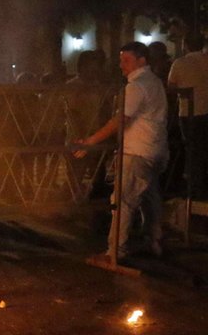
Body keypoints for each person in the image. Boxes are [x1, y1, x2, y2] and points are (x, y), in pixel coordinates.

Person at [75, 42, 168, 260]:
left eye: (126, 60)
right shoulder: (155, 82)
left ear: (141, 61)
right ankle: (154, 242)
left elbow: (120, 120)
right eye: (120, 60)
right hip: (155, 150)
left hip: (137, 152)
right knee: (149, 197)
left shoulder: (136, 86)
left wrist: (90, 141)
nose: (121, 65)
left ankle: (116, 251)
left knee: (123, 200)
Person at [168, 31, 208, 199]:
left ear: (186, 45)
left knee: (192, 149)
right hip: (206, 111)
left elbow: (171, 86)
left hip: (189, 113)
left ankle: (195, 187)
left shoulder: (180, 63)